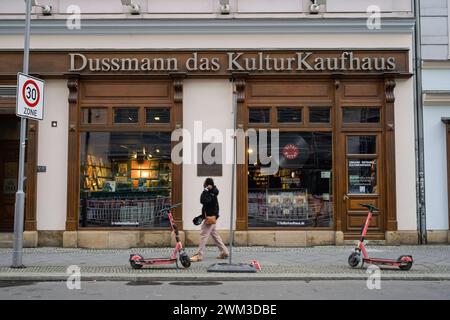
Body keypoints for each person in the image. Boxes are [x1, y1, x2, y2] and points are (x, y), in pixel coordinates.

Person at [190, 178, 229, 262]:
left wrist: (205, 190)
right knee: (215, 236)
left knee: (203, 235)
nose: (203, 185)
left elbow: (203, 200)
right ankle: (224, 252)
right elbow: (210, 205)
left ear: (208, 185)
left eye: (205, 184)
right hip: (212, 217)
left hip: (210, 218)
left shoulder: (211, 193)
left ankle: (199, 255)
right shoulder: (213, 193)